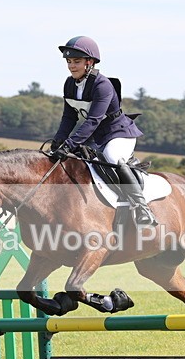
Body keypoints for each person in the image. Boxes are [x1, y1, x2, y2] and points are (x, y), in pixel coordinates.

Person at [50, 36, 156, 227]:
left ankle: (142, 208)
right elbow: (69, 118)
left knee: (113, 157)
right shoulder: (69, 84)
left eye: (76, 61)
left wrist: (70, 144)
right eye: (69, 62)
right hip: (94, 136)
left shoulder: (102, 85)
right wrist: (58, 141)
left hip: (118, 133)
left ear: (89, 63)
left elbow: (93, 120)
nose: (71, 66)